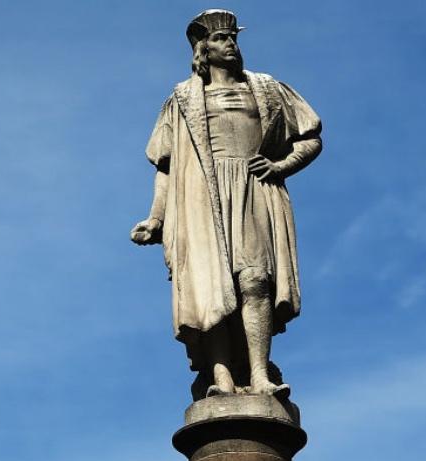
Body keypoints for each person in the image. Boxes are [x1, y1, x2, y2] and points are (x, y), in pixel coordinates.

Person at [131, 9, 322, 400]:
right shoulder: (181, 100)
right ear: (203, 49)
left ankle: (259, 373)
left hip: (254, 190)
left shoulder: (267, 88)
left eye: (233, 38)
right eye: (220, 39)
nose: (230, 44)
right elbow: (166, 166)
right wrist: (155, 218)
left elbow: (310, 136)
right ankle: (221, 378)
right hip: (201, 198)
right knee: (210, 287)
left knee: (255, 280)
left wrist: (281, 165)